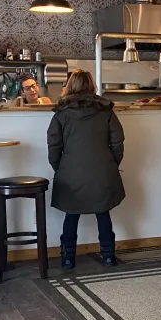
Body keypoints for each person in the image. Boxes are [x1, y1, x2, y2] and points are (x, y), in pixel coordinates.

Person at [47, 69, 125, 268]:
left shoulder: (61, 113)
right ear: (92, 85)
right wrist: (111, 164)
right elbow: (117, 141)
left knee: (71, 215)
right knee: (103, 212)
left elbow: (54, 145)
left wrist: (60, 168)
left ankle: (67, 259)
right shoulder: (106, 110)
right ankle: (108, 256)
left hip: (70, 172)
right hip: (102, 170)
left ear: (70, 85)